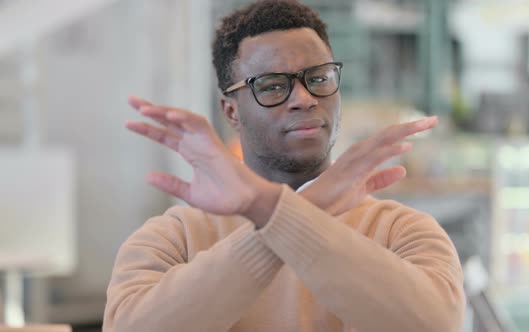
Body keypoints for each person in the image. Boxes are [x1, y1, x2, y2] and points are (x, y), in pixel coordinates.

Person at [103, 0, 465, 331]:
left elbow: (435, 325)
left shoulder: (402, 231)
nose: (304, 99)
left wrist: (277, 212)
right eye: (273, 86)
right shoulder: (173, 238)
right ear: (231, 111)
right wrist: (303, 209)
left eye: (319, 78)